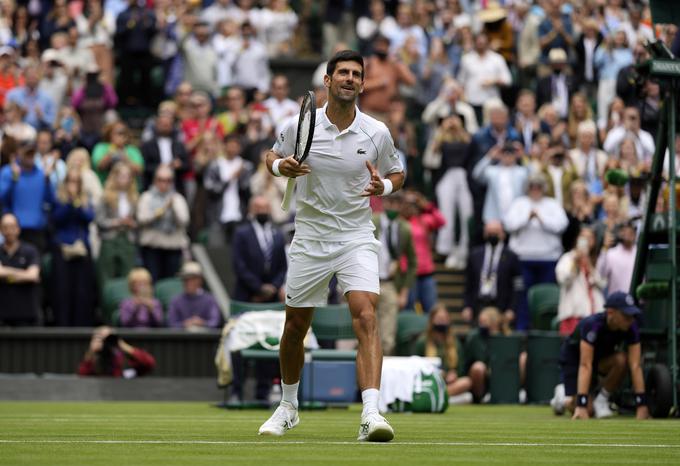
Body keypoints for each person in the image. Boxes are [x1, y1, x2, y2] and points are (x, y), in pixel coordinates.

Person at [260, 50, 404, 441]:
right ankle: (289, 406)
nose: (350, 79)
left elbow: (397, 171)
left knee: (366, 316)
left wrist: (384, 187)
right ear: (327, 80)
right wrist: (279, 166)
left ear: (362, 83)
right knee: (295, 327)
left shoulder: (377, 132)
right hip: (309, 235)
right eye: (343, 73)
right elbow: (270, 155)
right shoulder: (300, 124)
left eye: (357, 74)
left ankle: (371, 414)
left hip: (356, 235)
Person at [551, 292, 650, 420]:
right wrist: (581, 405)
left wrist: (642, 405)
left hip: (599, 360)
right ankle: (563, 399)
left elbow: (635, 365)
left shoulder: (631, 327)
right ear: (610, 312)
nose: (630, 320)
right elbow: (585, 365)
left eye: (632, 315)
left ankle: (602, 400)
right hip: (575, 360)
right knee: (588, 410)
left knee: (621, 360)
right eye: (626, 315)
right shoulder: (591, 324)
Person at [503, 173, 568, 330]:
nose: (535, 190)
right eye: (532, 187)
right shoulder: (519, 203)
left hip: (548, 258)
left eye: (538, 187)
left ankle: (543, 328)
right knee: (523, 295)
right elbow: (509, 225)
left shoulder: (552, 204)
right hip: (523, 258)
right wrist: (527, 217)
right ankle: (522, 327)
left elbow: (562, 225)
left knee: (546, 296)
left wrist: (541, 218)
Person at [372, 192, 417, 355]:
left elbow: (413, 263)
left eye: (397, 203)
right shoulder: (372, 221)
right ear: (384, 202)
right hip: (368, 282)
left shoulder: (405, 228)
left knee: (388, 338)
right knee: (365, 332)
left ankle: (384, 377)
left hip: (390, 284)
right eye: (390, 202)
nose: (393, 206)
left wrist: (404, 292)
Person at [51, 168, 97, 326]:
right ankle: (63, 325)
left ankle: (82, 325)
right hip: (63, 249)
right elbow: (58, 218)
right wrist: (70, 202)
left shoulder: (85, 200)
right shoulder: (58, 198)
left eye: (76, 181)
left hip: (81, 249)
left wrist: (76, 201)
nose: (73, 185)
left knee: (82, 291)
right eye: (70, 181)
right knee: (63, 290)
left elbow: (89, 217)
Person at [136, 165, 190, 282]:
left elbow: (184, 221)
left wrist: (173, 207)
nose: (164, 184)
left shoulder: (177, 198)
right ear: (155, 180)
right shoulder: (146, 197)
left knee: (170, 281)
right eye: (160, 180)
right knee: (152, 280)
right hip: (152, 247)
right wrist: (160, 212)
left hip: (173, 247)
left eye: (168, 180)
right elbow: (141, 219)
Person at [462, 220, 521, 325]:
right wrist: (467, 306)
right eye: (490, 233)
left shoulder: (511, 256)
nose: (492, 236)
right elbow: (469, 284)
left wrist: (512, 309)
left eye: (496, 233)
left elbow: (517, 286)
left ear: (502, 234)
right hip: (479, 304)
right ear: (485, 234)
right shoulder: (475, 255)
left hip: (501, 305)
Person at [232, 196, 287, 303]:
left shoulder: (278, 234)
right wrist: (259, 287)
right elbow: (239, 265)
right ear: (251, 209)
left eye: (265, 208)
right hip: (247, 295)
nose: (262, 211)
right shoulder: (241, 233)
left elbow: (283, 266)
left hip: (272, 297)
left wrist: (274, 286)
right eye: (258, 208)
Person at [0, 144, 55, 252]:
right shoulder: (9, 172)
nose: (30, 157)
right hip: (13, 231)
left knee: (36, 264)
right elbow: (2, 198)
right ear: (19, 154)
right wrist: (13, 179)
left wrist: (48, 181)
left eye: (32, 154)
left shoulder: (41, 174)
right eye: (27, 154)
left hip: (36, 229)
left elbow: (50, 201)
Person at [96, 162, 139, 292]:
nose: (125, 179)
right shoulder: (105, 196)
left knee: (128, 277)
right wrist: (117, 222)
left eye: (127, 176)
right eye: (121, 176)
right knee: (107, 277)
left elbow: (139, 221)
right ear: (114, 177)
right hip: (110, 239)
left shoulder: (134, 197)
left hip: (127, 238)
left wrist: (132, 223)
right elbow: (99, 220)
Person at [556, 227, 606, 336]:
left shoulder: (599, 259)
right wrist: (575, 263)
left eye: (590, 237)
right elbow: (563, 280)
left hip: (595, 314)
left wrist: (589, 266)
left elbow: (603, 283)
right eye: (584, 237)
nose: (587, 240)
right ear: (577, 239)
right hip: (574, 315)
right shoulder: (567, 258)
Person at [414, 303, 471, 398]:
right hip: (429, 382)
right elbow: (416, 367)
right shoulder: (422, 342)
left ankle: (438, 396)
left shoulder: (455, 342)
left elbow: (461, 368)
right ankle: (438, 396)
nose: (442, 322)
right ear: (432, 321)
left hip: (450, 384)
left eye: (444, 319)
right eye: (439, 319)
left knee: (466, 382)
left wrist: (454, 374)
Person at [0, 213, 41, 326]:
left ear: (18, 228)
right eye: (5, 227)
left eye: (12, 227)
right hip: (2, 317)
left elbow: (33, 276)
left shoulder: (30, 251)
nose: (9, 231)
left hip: (27, 315)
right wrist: (23, 274)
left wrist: (6, 274)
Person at [78, 326, 156, 377]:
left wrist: (123, 346)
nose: (106, 342)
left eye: (109, 338)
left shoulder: (124, 359)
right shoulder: (94, 360)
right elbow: (82, 375)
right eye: (102, 339)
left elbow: (149, 364)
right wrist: (91, 352)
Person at [167, 261, 221, 329]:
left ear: (200, 280)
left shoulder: (210, 300)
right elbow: (171, 323)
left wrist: (202, 323)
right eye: (185, 279)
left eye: (192, 279)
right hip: (181, 338)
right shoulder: (176, 301)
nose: (188, 282)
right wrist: (185, 324)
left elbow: (214, 322)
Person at [597, 221, 637, 296]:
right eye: (624, 231)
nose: (627, 235)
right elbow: (600, 274)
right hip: (616, 302)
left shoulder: (639, 252)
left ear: (635, 235)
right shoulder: (611, 254)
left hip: (636, 300)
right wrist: (604, 249)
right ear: (620, 233)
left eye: (631, 232)